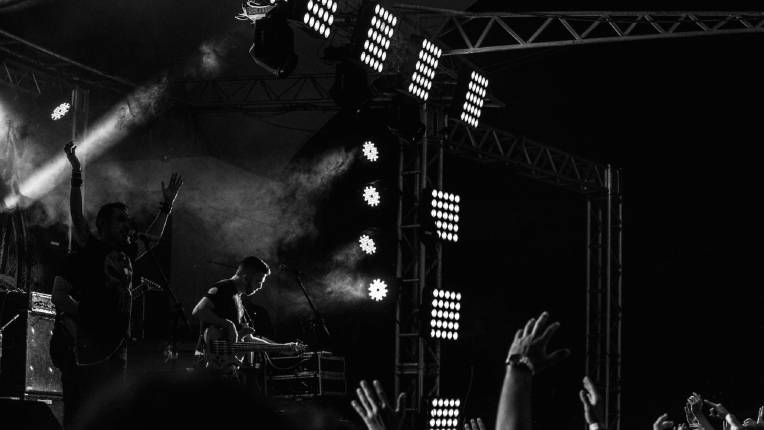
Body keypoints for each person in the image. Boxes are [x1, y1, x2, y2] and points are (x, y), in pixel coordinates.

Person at [53, 141, 182, 425]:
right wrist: (76, 172)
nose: (128, 225)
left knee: (113, 413)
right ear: (104, 226)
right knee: (89, 408)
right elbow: (76, 215)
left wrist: (167, 206)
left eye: (128, 220)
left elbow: (155, 238)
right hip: (92, 341)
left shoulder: (128, 252)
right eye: (121, 220)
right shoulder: (92, 248)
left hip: (118, 342)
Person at [191, 256, 274, 374]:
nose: (260, 286)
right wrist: (229, 325)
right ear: (245, 278)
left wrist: (284, 347)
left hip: (226, 368)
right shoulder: (224, 287)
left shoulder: (239, 300)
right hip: (209, 365)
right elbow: (198, 311)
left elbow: (249, 340)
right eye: (258, 281)